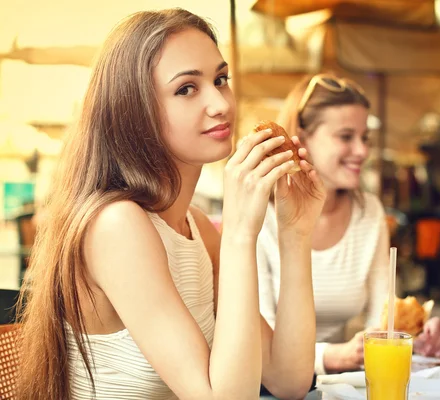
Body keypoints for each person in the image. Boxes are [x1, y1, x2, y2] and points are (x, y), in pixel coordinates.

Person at [16, 8, 325, 400]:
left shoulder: (193, 226)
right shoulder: (116, 225)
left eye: (220, 79)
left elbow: (288, 379)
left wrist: (295, 235)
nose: (220, 103)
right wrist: (239, 234)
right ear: (135, 112)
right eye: (186, 89)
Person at [257, 74, 440, 375]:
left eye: (364, 137)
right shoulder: (261, 214)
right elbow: (257, 338)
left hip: (342, 387)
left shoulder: (369, 211)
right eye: (345, 136)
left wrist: (416, 331)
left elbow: (381, 319)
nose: (362, 151)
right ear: (301, 137)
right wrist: (331, 357)